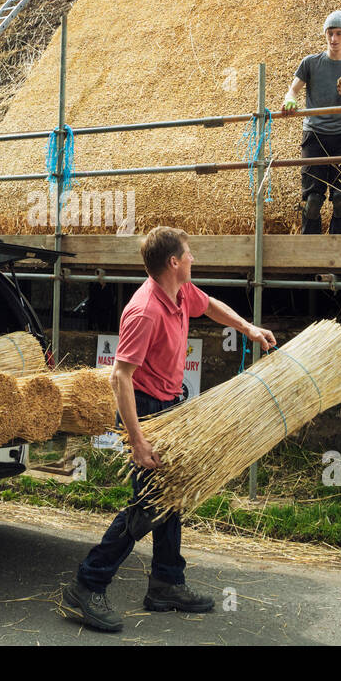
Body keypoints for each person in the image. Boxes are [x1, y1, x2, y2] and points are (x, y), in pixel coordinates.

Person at [61, 226, 277, 632]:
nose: (194, 258)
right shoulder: (145, 310)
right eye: (189, 253)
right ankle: (87, 585)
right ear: (173, 262)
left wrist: (248, 328)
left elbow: (210, 305)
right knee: (148, 506)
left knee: (170, 496)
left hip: (170, 404)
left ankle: (166, 582)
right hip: (146, 409)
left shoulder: (180, 293)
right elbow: (119, 378)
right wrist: (138, 440)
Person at [282, 10, 341, 235]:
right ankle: (309, 250)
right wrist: (290, 101)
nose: (334, 39)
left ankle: (336, 247)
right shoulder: (310, 63)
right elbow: (292, 90)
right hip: (314, 135)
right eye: (330, 33)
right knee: (313, 200)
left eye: (339, 33)